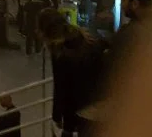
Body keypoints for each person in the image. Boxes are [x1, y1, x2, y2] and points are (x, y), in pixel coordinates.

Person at [38, 8, 107, 137]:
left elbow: (60, 87)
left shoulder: (59, 52)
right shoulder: (85, 39)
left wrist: (57, 116)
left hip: (80, 110)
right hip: (99, 105)